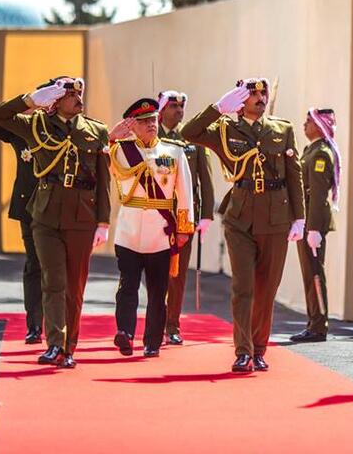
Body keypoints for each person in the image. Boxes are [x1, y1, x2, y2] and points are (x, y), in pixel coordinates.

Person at [181, 78, 305, 373]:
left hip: (276, 216)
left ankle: (259, 349)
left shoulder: (282, 129)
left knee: (266, 289)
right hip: (240, 217)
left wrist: (300, 217)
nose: (260, 98)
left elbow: (294, 174)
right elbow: (190, 133)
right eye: (253, 94)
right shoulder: (224, 129)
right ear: (239, 100)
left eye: (263, 93)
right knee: (243, 287)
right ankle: (243, 351)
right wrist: (217, 108)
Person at [0, 77, 111, 369]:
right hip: (44, 214)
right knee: (53, 281)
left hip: (82, 215)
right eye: (70, 94)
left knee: (75, 287)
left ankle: (70, 348)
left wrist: (104, 222)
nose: (78, 98)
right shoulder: (36, 126)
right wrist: (32, 100)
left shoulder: (96, 130)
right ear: (55, 101)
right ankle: (55, 344)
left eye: (80, 92)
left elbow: (104, 180)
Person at [108, 98, 194, 357]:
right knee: (127, 286)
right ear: (132, 125)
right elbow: (94, 158)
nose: (151, 125)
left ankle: (152, 341)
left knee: (158, 291)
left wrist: (182, 229)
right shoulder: (119, 150)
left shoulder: (174, 152)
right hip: (129, 233)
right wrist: (111, 136)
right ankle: (125, 332)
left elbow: (185, 193)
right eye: (144, 122)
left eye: (153, 120)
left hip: (160, 233)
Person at [156, 90, 215, 345]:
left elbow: (206, 178)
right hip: (156, 213)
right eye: (173, 106)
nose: (179, 111)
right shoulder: (151, 137)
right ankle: (155, 323)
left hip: (184, 215)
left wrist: (206, 215)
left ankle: (173, 325)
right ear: (162, 110)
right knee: (155, 272)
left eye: (181, 106)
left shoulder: (192, 137)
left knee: (177, 275)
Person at [0, 117, 42, 344]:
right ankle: (35, 325)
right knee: (34, 265)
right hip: (28, 206)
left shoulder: (63, 128)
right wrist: (25, 103)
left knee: (59, 268)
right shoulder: (23, 129)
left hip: (58, 208)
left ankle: (60, 327)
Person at [290, 108, 341, 343]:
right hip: (307, 221)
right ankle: (313, 321)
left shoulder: (321, 154)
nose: (304, 124)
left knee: (315, 274)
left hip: (313, 222)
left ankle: (319, 325)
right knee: (309, 274)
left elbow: (319, 194)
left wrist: (314, 229)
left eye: (308, 121)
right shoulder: (311, 150)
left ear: (320, 125)